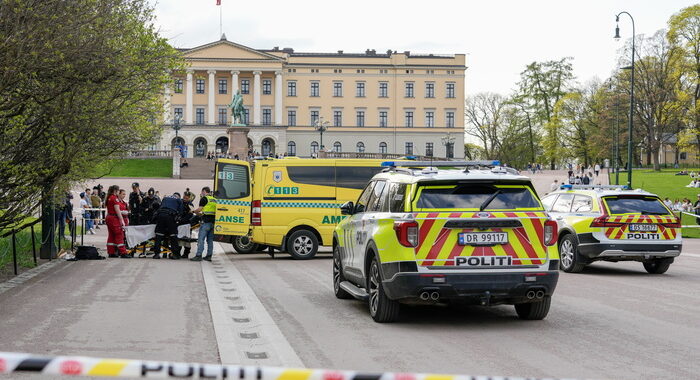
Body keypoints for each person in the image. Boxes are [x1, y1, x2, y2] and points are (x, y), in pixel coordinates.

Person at [153, 192, 184, 259]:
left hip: (160, 215)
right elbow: (181, 212)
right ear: (178, 196)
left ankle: (156, 254)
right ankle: (175, 254)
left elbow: (160, 206)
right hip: (170, 216)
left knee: (159, 235)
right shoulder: (179, 200)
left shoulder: (165, 198)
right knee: (173, 235)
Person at [191, 186, 216, 262]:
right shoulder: (214, 199)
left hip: (205, 222)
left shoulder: (204, 199)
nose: (201, 193)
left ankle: (198, 255)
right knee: (210, 240)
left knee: (201, 239)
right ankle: (209, 256)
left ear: (204, 191)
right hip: (213, 223)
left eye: (202, 192)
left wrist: (193, 211)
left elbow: (199, 209)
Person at [105, 185, 129, 258]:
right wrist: (122, 220)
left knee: (111, 235)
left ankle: (111, 252)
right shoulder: (114, 199)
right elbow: (117, 210)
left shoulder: (109, 197)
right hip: (114, 218)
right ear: (115, 191)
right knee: (119, 235)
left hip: (109, 217)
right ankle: (123, 252)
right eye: (118, 191)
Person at [179, 192, 196, 259]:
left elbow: (191, 214)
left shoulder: (190, 204)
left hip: (187, 224)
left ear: (189, 198)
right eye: (184, 197)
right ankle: (177, 252)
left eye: (186, 198)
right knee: (179, 239)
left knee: (187, 240)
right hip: (180, 224)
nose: (185, 199)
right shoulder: (180, 202)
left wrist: (183, 220)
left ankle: (186, 253)